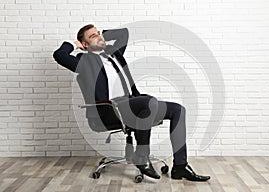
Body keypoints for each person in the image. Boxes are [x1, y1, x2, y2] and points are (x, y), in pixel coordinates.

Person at [53, 24, 210, 182]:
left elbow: (123, 34)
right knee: (148, 102)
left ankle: (180, 167)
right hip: (109, 110)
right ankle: (142, 156)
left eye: (98, 33)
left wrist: (100, 37)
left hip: (132, 104)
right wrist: (74, 45)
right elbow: (59, 55)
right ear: (85, 44)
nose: (98, 36)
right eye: (92, 36)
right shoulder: (85, 61)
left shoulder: (114, 54)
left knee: (178, 110)